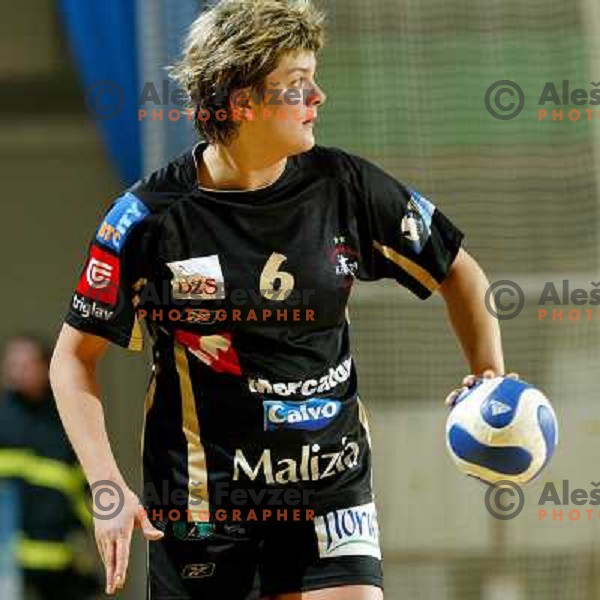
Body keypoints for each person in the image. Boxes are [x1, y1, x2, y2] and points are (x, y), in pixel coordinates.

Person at [49, 1, 514, 598]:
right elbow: (72, 358)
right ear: (242, 103)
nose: (318, 97)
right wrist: (107, 488)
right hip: (203, 506)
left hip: (330, 490)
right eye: (297, 85)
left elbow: (459, 271)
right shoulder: (148, 219)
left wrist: (489, 377)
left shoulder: (344, 186)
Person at [0, 334, 100, 600]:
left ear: (45, 368)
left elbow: (84, 485)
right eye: (13, 364)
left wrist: (88, 532)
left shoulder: (65, 420)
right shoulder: (3, 420)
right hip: (11, 561)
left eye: (26, 363)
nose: (18, 370)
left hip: (65, 558)